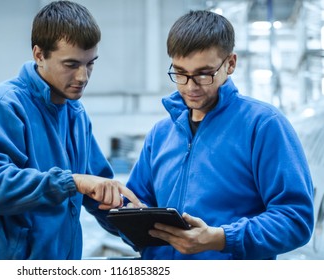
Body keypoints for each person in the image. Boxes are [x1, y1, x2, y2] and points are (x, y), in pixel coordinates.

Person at [0, 0, 141, 260]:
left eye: (90, 64)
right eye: (71, 65)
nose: (83, 77)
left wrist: (147, 230)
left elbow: (100, 194)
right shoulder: (2, 105)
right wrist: (70, 182)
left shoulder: (76, 115)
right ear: (39, 54)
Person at [124, 10, 314, 259]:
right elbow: (135, 202)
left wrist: (222, 239)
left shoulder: (263, 126)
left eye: (204, 74)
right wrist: (127, 214)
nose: (190, 87)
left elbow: (295, 219)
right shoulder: (160, 134)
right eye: (180, 73)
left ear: (230, 63)